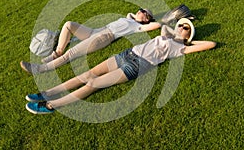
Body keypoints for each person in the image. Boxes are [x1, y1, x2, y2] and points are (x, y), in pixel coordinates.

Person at [25, 18, 216, 114]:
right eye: (182, 26)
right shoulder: (168, 35)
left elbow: (211, 45)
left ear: (188, 37)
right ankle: (48, 92)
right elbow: (164, 28)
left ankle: (51, 105)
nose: (181, 28)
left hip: (137, 65)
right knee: (88, 73)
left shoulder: (179, 48)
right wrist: (176, 32)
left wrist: (189, 42)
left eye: (185, 29)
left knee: (93, 84)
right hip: (127, 53)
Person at [20, 8, 161, 74]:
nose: (140, 12)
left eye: (144, 13)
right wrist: (134, 16)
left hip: (104, 37)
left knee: (71, 53)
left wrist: (161, 21)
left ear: (147, 19)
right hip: (96, 31)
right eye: (141, 10)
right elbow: (130, 14)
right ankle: (56, 53)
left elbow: (156, 25)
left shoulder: (136, 26)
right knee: (69, 25)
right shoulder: (129, 19)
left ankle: (39, 69)